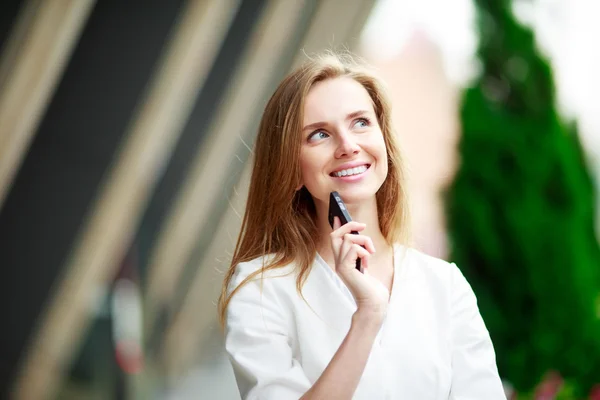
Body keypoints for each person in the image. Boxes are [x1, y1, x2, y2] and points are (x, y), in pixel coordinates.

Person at [217, 51, 506, 400]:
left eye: (360, 122)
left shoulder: (444, 286)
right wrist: (367, 317)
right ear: (290, 169)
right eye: (319, 135)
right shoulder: (260, 291)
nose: (348, 146)